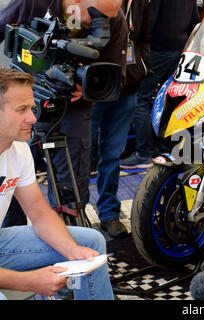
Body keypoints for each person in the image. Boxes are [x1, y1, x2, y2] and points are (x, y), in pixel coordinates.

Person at [0, 0, 128, 217]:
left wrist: (85, 86)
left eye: (110, 16)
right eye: (97, 15)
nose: (103, 22)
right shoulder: (35, 3)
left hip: (75, 110)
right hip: (24, 106)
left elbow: (116, 76)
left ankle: (70, 236)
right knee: (11, 180)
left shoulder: (115, 18)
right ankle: (9, 239)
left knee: (72, 188)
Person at [0, 68, 114, 300]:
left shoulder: (19, 148)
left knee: (90, 242)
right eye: (21, 110)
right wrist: (29, 282)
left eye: (32, 108)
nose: (33, 118)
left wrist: (73, 251)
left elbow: (41, 214)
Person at [91, 0, 151, 238]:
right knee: (80, 157)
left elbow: (144, 37)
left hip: (126, 90)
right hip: (92, 91)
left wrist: (139, 69)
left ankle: (108, 213)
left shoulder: (140, 3)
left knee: (112, 155)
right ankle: (76, 216)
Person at [120, 0, 200, 169]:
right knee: (168, 99)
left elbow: (150, 22)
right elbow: (195, 21)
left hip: (158, 49)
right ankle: (165, 149)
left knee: (140, 98)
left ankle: (143, 153)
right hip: (181, 49)